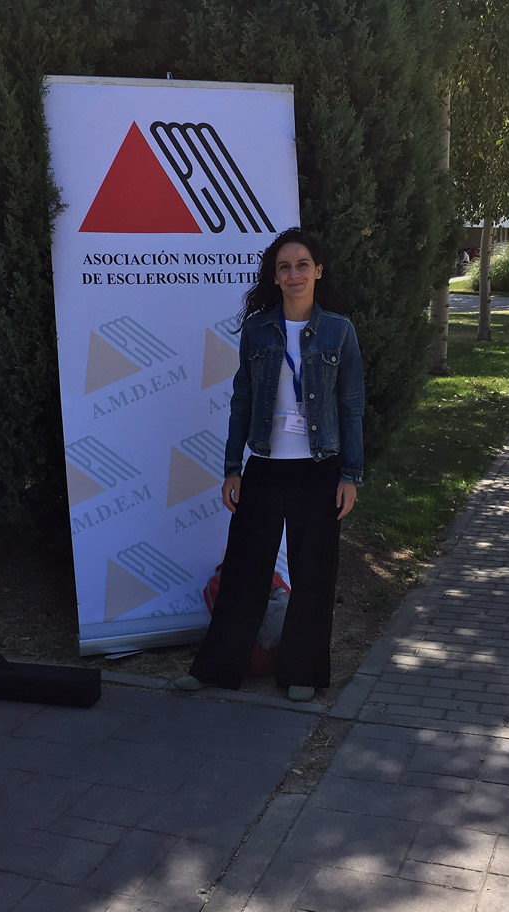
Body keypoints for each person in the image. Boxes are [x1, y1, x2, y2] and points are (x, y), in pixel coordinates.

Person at [174, 228, 364, 702]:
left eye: (302, 265)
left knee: (313, 573)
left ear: (318, 271)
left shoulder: (339, 331)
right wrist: (232, 467)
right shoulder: (258, 329)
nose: (294, 273)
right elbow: (241, 400)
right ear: (275, 277)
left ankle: (303, 671)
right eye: (284, 267)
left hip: (319, 468)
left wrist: (350, 475)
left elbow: (351, 407)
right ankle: (216, 668)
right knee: (244, 569)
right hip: (265, 464)